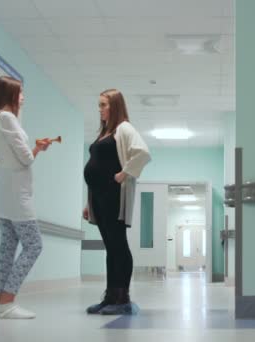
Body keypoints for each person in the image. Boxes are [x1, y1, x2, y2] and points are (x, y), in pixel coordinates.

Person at [0, 76, 51, 319]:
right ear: (9, 94)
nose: (23, 97)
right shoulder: (7, 118)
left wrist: (34, 149)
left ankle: (1, 303)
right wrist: (36, 150)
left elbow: (16, 156)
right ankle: (7, 299)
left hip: (5, 191)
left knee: (8, 246)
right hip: (16, 194)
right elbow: (26, 159)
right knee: (34, 245)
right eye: (20, 92)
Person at [83, 89, 151, 315]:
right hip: (99, 196)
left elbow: (142, 153)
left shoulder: (124, 128)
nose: (100, 109)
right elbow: (96, 166)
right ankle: (110, 296)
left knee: (118, 245)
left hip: (113, 194)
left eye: (104, 105)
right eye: (99, 105)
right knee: (110, 248)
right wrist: (88, 203)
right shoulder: (104, 132)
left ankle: (122, 299)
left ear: (115, 106)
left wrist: (124, 173)